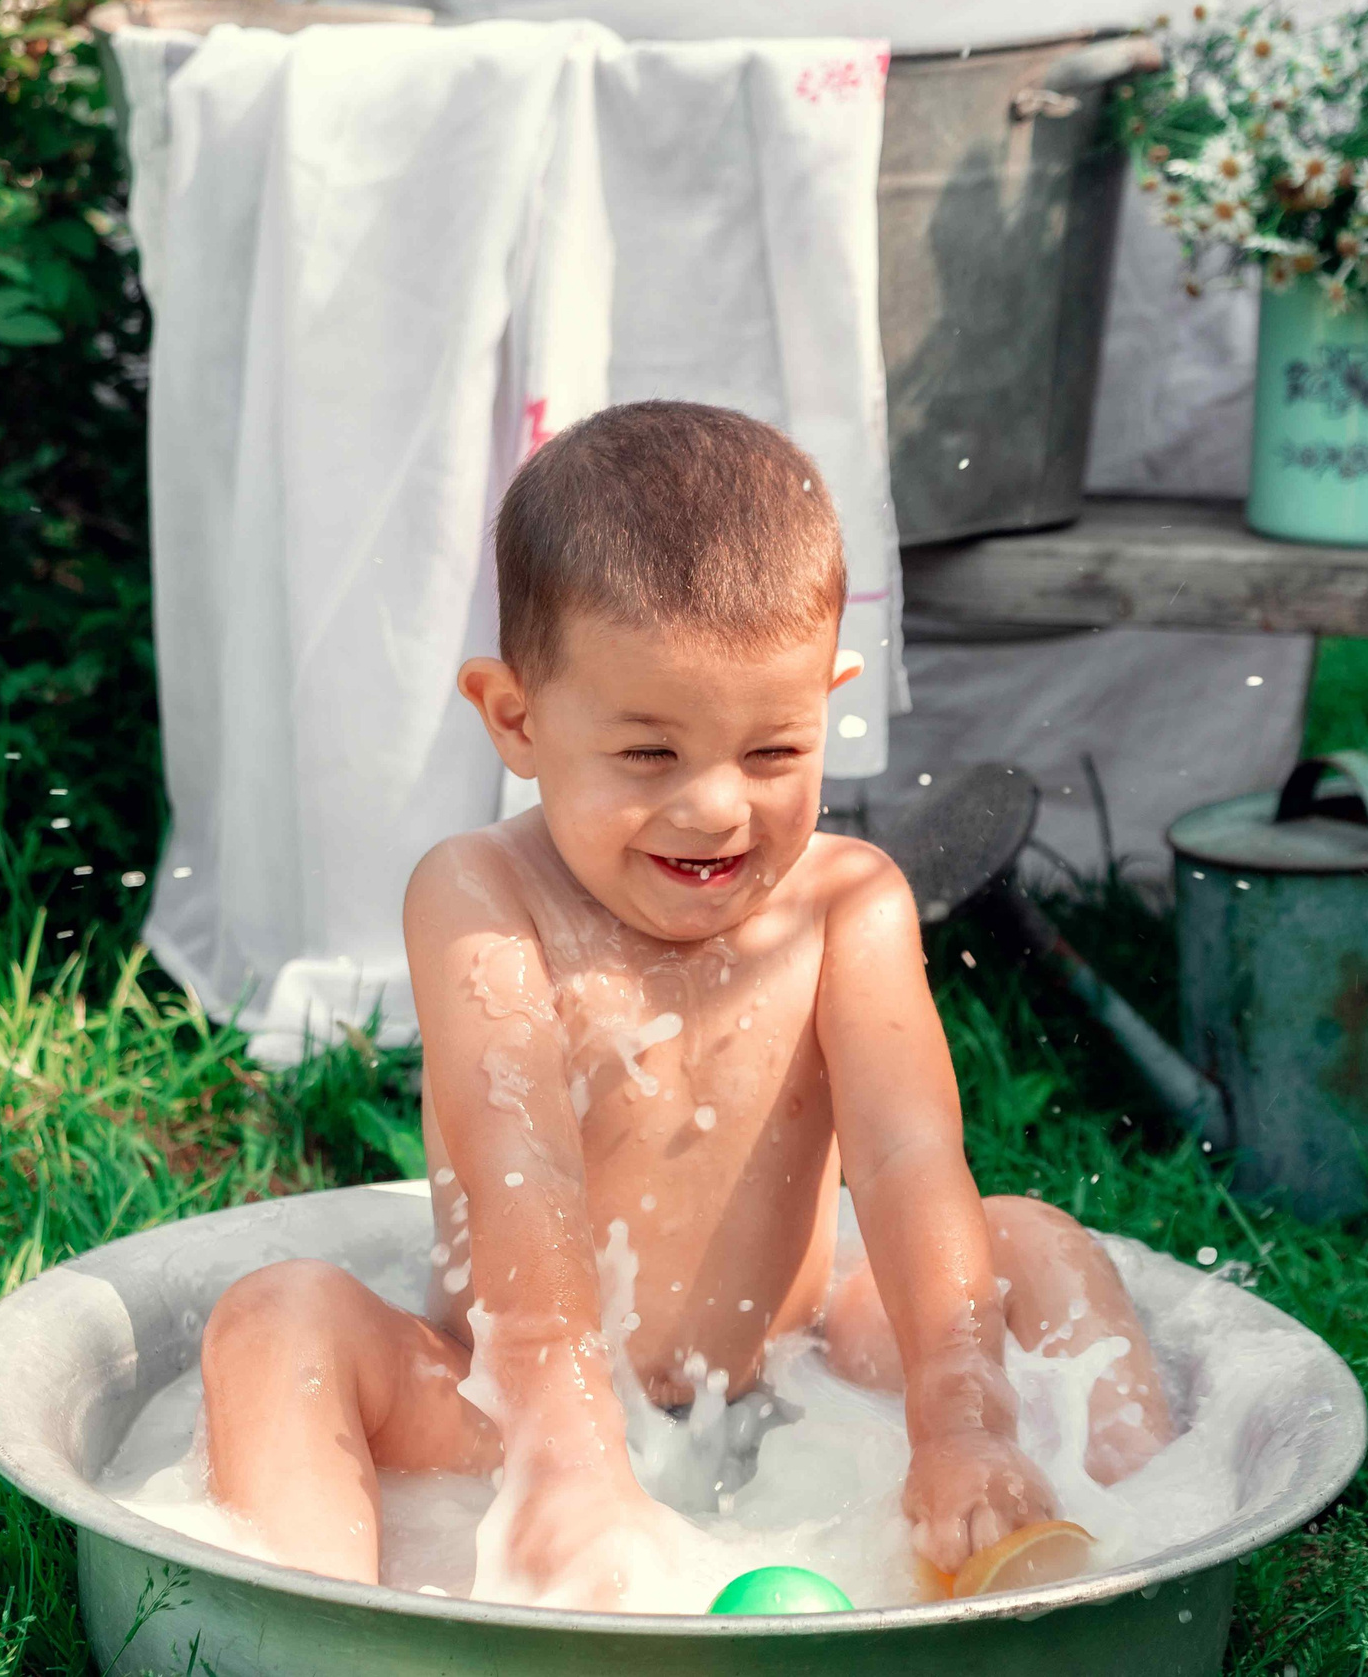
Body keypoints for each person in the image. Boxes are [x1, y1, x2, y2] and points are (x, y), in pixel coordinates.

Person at [197, 400, 1174, 1608]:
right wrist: (565, 1457)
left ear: (833, 700)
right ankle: (314, 1619)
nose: (716, 809)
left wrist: (958, 1419)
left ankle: (1146, 1543)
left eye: (772, 752)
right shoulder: (482, 897)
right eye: (650, 755)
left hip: (799, 1376)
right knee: (278, 1317)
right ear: (516, 718)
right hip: (515, 1408)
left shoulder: (844, 905)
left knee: (1027, 1243)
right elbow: (521, 1173)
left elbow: (911, 1156)